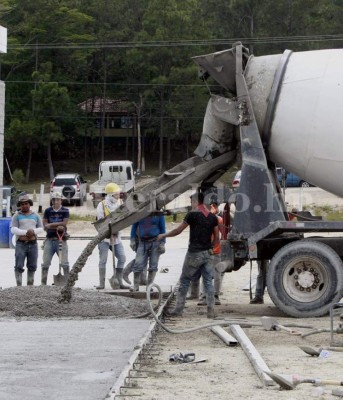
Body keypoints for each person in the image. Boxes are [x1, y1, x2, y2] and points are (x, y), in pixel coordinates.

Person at [157, 192, 219, 319]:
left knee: (185, 280)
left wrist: (163, 235)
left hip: (194, 253)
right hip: (208, 253)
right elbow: (217, 238)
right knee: (208, 282)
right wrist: (210, 248)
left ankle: (178, 310)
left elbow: (178, 230)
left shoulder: (192, 215)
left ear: (196, 202)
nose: (191, 204)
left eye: (191, 202)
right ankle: (211, 311)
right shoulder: (213, 217)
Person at [96, 182, 127, 289]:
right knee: (103, 260)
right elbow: (101, 222)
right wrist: (109, 233)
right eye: (116, 194)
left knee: (122, 258)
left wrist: (116, 232)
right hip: (104, 237)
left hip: (116, 237)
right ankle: (101, 283)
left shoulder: (120, 203)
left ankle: (119, 281)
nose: (119, 195)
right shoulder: (102, 205)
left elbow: (123, 219)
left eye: (118, 194)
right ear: (110, 195)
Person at [10, 194, 44, 286]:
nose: (24, 205)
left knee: (32, 266)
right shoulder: (16, 216)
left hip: (33, 244)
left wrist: (33, 231)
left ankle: (30, 286)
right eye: (22, 204)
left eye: (26, 203)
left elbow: (41, 228)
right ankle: (19, 286)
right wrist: (26, 232)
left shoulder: (35, 215)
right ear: (20, 205)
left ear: (30, 204)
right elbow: (13, 229)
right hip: (21, 244)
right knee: (19, 265)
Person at [129, 213, 166, 292]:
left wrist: (163, 243)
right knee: (137, 264)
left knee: (153, 265)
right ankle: (136, 286)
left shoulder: (158, 214)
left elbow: (163, 228)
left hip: (156, 242)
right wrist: (132, 240)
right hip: (142, 242)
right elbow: (134, 227)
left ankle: (149, 286)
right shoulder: (140, 213)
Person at [197, 201, 224, 305]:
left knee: (217, 274)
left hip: (215, 251)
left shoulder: (218, 219)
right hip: (206, 251)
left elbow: (222, 234)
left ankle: (215, 296)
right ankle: (204, 296)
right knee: (206, 274)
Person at [41, 192, 70, 285]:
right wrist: (55, 225)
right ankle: (43, 283)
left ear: (61, 200)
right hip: (49, 239)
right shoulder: (48, 211)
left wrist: (51, 225)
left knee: (64, 262)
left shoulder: (65, 211)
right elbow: (45, 225)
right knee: (45, 263)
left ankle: (67, 283)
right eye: (54, 200)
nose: (56, 201)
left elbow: (64, 223)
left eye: (58, 199)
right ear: (52, 201)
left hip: (61, 239)